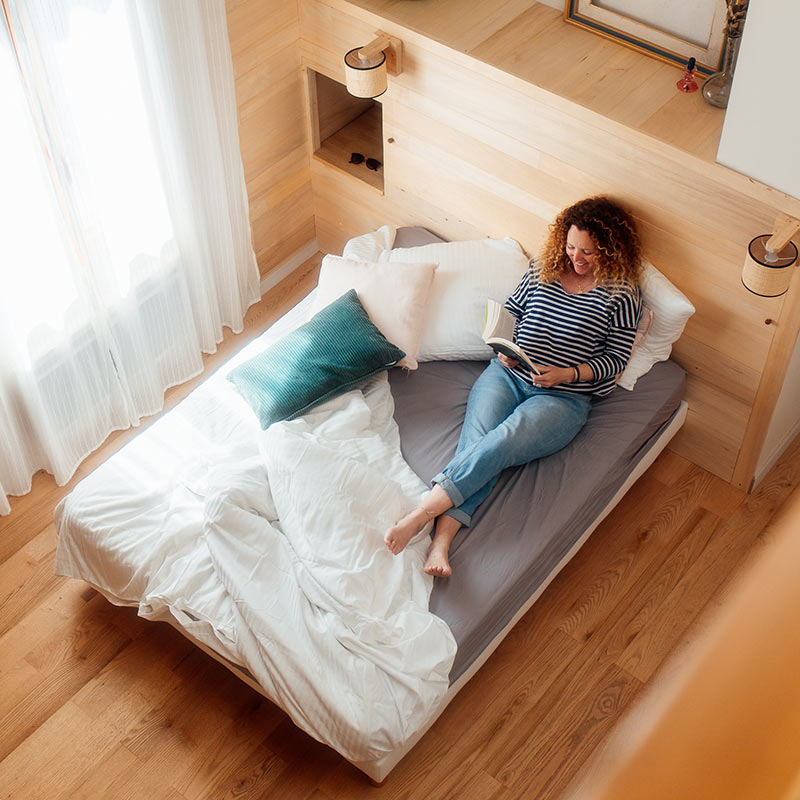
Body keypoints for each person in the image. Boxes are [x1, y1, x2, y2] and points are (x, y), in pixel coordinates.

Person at [384, 196, 644, 577]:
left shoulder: (622, 294)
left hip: (562, 398)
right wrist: (505, 345)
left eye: (589, 252)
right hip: (507, 374)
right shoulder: (544, 267)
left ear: (611, 248)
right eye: (571, 247)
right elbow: (514, 310)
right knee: (477, 442)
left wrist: (565, 374)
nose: (577, 258)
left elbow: (615, 362)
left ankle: (422, 515)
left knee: (501, 443)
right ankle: (440, 544)